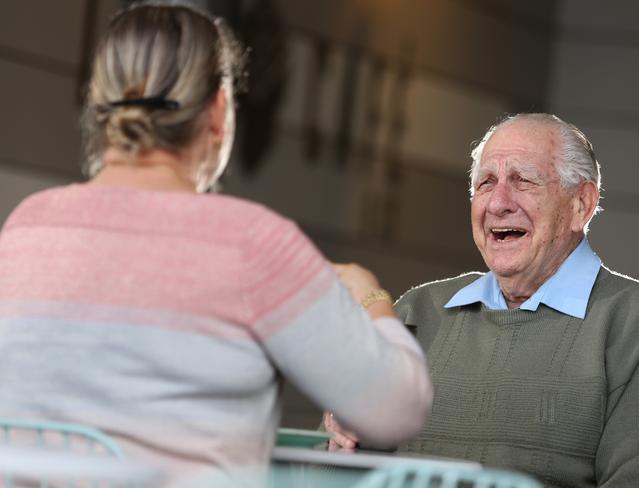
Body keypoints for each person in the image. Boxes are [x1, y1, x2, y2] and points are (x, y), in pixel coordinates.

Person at [0, 4, 432, 486]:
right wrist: (368, 295)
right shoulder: (251, 245)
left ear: (101, 107)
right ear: (220, 110)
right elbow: (397, 408)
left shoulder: (25, 228)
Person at [325, 113, 639, 487]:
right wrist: (342, 446)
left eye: (522, 180)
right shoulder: (417, 311)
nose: (498, 203)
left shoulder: (637, 326)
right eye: (486, 183)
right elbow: (321, 463)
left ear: (581, 204)